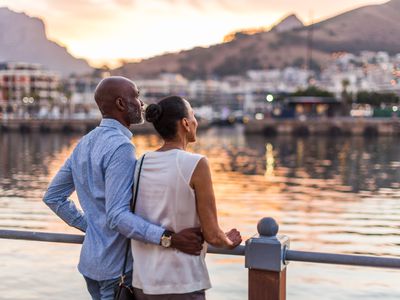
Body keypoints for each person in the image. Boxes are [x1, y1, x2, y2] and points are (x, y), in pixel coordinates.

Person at [42, 77, 204, 300]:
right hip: (117, 271)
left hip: (90, 266)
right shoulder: (121, 147)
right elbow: (117, 216)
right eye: (136, 96)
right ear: (121, 104)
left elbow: (53, 197)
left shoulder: (85, 142)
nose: (141, 104)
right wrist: (168, 238)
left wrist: (92, 228)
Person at [130, 95, 242, 300]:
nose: (196, 121)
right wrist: (228, 241)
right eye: (193, 115)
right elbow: (212, 234)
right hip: (180, 282)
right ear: (185, 123)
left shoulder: (142, 162)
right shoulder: (196, 163)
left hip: (143, 282)